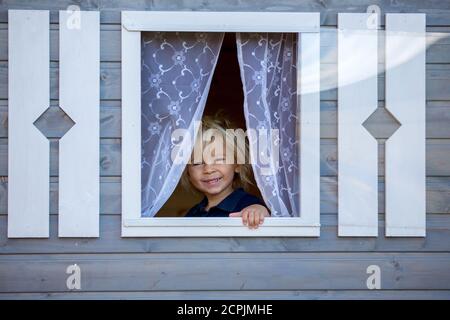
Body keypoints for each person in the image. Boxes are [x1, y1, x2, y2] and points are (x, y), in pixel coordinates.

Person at [181, 116, 270, 229]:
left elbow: (261, 212)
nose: (208, 170)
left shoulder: (248, 204)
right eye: (197, 163)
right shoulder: (193, 213)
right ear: (188, 172)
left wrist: (257, 212)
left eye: (219, 159)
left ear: (237, 164)